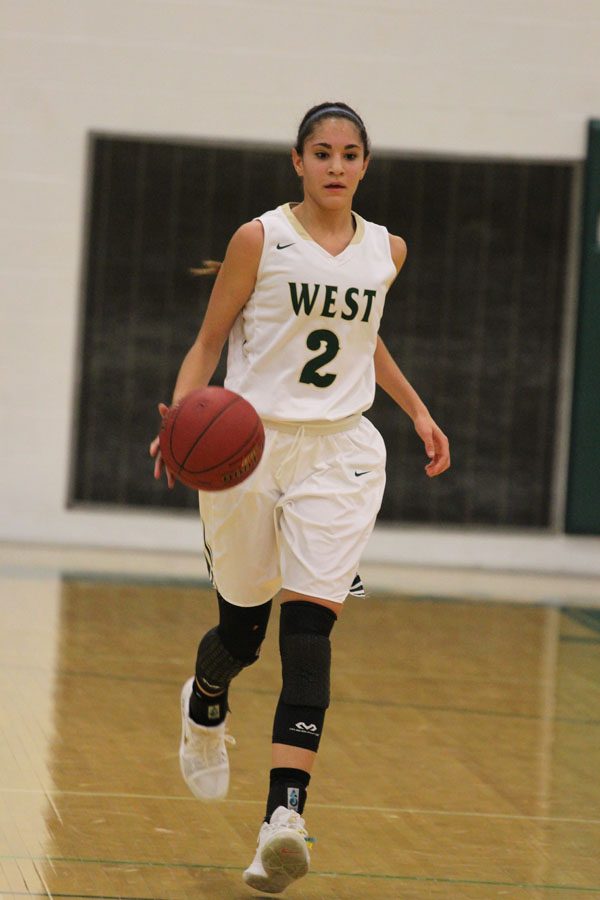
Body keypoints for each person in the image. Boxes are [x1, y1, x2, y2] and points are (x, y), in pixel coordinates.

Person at [150, 101, 450, 894]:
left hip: (341, 457)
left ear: (365, 164)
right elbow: (210, 341)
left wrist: (416, 411)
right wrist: (181, 416)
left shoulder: (387, 249)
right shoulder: (260, 238)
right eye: (322, 152)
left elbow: (365, 337)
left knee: (309, 631)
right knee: (242, 635)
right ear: (297, 160)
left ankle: (283, 820)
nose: (336, 166)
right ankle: (205, 698)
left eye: (350, 154)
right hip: (248, 448)